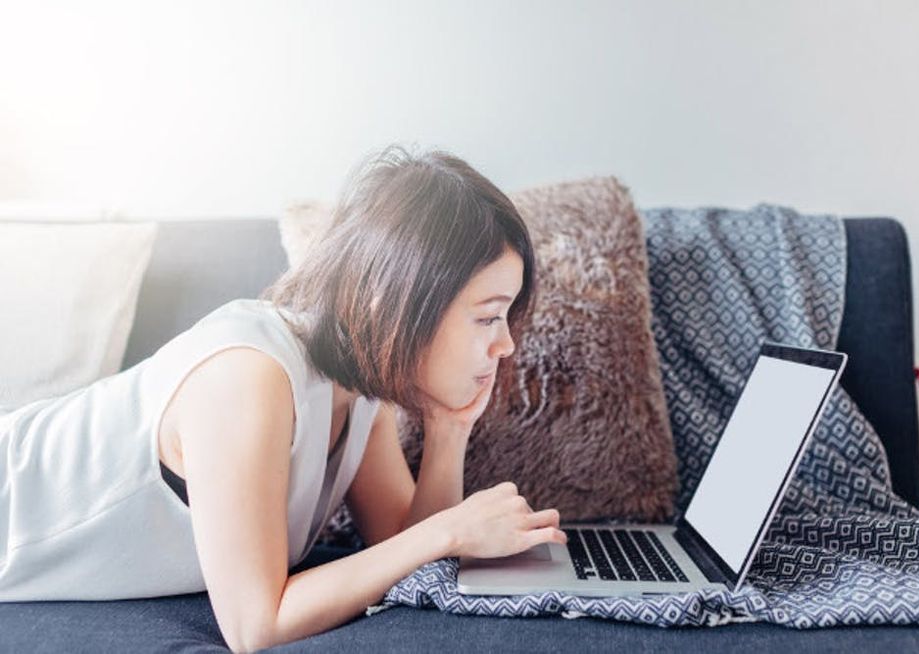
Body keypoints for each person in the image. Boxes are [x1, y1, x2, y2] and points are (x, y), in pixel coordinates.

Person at [0, 144, 568, 652]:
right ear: (398, 300)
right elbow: (256, 626)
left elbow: (401, 546)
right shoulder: (248, 375)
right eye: (489, 316)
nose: (506, 344)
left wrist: (450, 428)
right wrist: (452, 529)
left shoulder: (357, 387)